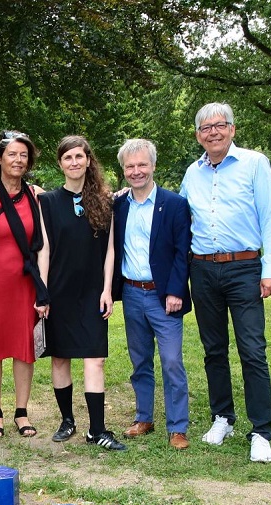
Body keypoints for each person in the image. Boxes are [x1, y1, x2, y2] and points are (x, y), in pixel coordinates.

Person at [179, 102, 271, 463]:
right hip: (203, 270)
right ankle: (223, 417)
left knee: (252, 350)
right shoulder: (192, 173)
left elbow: (270, 216)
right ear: (198, 136)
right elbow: (179, 218)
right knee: (213, 349)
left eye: (219, 125)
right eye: (206, 128)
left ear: (232, 129)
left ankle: (261, 432)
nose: (213, 132)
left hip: (244, 268)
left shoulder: (255, 164)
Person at [38, 135, 123, 451]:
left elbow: (110, 249)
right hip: (59, 292)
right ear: (60, 164)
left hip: (92, 293)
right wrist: (42, 292)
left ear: (88, 160)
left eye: (79, 156)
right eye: (67, 158)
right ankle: (67, 420)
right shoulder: (46, 202)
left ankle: (97, 429)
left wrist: (107, 290)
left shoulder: (105, 200)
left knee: (95, 359)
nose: (74, 162)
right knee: (59, 358)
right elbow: (43, 250)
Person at [0, 131, 51, 439]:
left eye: (23, 155)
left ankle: (21, 411)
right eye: (12, 154)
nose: (18, 160)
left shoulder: (37, 195)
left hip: (25, 281)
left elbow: (50, 238)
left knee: (23, 347)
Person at [113, 139, 193, 450]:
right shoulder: (119, 206)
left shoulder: (174, 204)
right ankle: (144, 417)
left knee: (172, 361)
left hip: (164, 297)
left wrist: (175, 291)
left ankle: (178, 427)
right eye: (130, 166)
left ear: (153, 166)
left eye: (142, 164)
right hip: (132, 294)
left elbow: (181, 251)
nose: (136, 171)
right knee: (140, 360)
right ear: (123, 170)